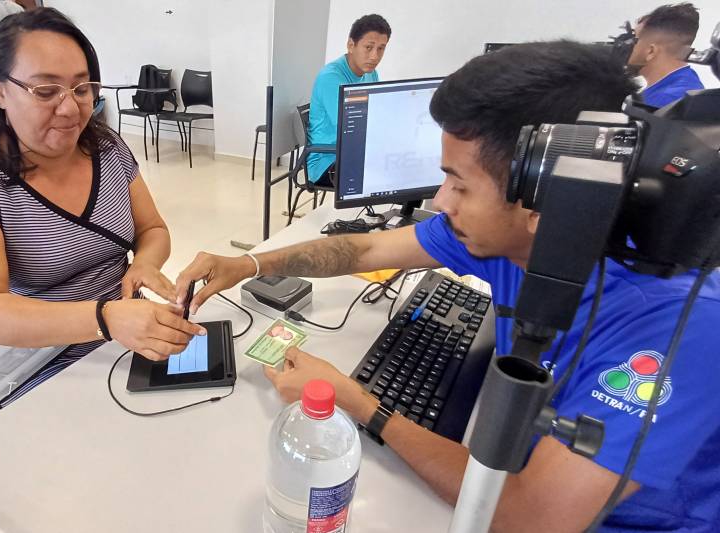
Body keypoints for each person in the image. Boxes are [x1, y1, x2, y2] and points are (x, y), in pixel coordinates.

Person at [175, 41, 720, 532]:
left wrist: (362, 404)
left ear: (547, 196)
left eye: (458, 182)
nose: (441, 201)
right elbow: (363, 249)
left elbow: (521, 517)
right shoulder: (507, 237)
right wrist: (248, 266)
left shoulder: (682, 327)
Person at [0, 8, 202, 408]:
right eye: (45, 91)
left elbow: (152, 230)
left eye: (82, 88)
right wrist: (104, 318)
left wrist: (144, 264)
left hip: (129, 338)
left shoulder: (106, 147)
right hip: (43, 361)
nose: (71, 109)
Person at [307, 14, 391, 187]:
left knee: (409, 171)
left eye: (381, 48)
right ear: (351, 45)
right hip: (327, 161)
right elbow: (353, 130)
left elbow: (377, 117)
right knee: (389, 177)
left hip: (356, 154)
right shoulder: (331, 78)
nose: (375, 56)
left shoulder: (371, 74)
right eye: (369, 47)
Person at [628, 3, 704, 107]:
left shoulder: (664, 102)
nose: (628, 47)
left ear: (651, 51)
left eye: (634, 40)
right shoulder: (687, 89)